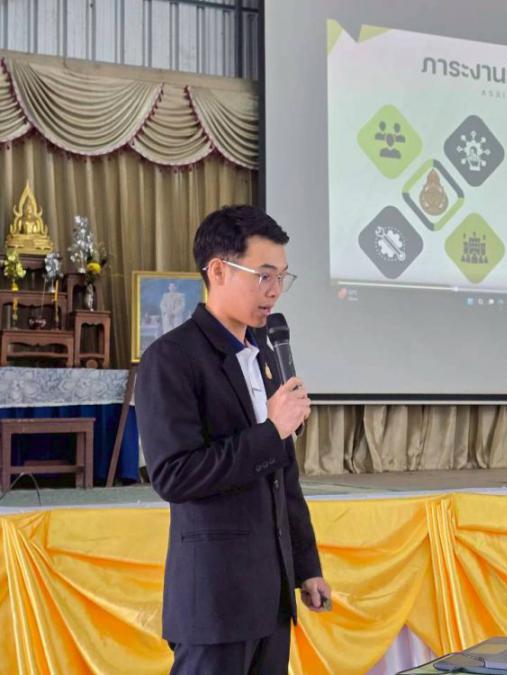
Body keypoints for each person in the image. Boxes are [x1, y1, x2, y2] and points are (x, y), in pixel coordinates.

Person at [135, 205, 330, 674]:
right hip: (214, 604)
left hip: (272, 598)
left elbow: (283, 474)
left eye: (282, 277)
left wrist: (306, 565)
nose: (275, 290)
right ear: (218, 271)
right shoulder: (171, 358)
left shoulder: (265, 352)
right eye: (263, 275)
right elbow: (175, 476)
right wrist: (270, 432)